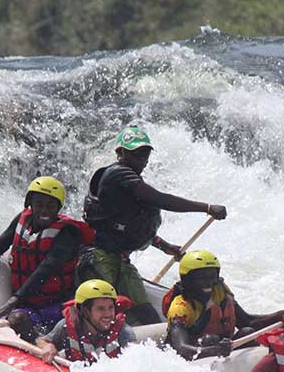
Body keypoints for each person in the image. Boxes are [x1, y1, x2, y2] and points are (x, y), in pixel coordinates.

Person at [79, 125, 228, 326]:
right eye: (136, 153)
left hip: (121, 260)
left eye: (145, 153)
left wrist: (164, 246)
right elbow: (160, 199)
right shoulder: (118, 175)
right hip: (98, 257)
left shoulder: (131, 181)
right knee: (104, 310)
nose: (142, 158)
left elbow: (127, 225)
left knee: (146, 314)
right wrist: (207, 207)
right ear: (120, 153)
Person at [0, 176, 94, 342]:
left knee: (16, 319)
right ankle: (39, 341)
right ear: (30, 203)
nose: (44, 210)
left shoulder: (67, 233)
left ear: (59, 207)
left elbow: (46, 269)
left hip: (57, 304)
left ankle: (43, 344)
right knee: (18, 319)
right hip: (28, 303)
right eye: (39, 204)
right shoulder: (22, 219)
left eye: (51, 206)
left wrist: (10, 303)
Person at [163, 249, 284, 360]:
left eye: (212, 276)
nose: (208, 282)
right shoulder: (180, 308)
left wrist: (280, 316)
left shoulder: (220, 292)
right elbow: (181, 348)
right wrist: (215, 350)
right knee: (209, 339)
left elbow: (247, 321)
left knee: (247, 332)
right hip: (196, 354)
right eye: (202, 278)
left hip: (222, 348)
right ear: (188, 280)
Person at [36, 279, 137, 365]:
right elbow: (42, 341)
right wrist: (47, 346)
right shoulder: (66, 326)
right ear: (85, 311)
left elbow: (135, 360)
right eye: (101, 308)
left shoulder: (123, 331)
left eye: (110, 307)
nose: (108, 314)